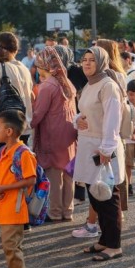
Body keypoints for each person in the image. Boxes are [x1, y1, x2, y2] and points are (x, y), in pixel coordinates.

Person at [74, 47, 126, 256]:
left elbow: (113, 120)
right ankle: (104, 239)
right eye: (84, 60)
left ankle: (114, 245)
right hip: (88, 146)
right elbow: (84, 112)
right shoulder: (90, 84)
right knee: (95, 196)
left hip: (102, 148)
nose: (86, 63)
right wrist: (78, 120)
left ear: (101, 63)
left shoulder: (108, 86)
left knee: (107, 197)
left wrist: (106, 149)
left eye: (91, 60)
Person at [0, 110, 37, 268]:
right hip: (3, 206)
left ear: (9, 131)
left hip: (16, 207)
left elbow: (30, 179)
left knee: (12, 245)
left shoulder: (23, 153)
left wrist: (4, 187)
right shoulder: (2, 152)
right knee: (8, 245)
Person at [31, 47, 78, 222]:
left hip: (52, 133)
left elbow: (38, 114)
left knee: (54, 174)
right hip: (69, 133)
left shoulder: (47, 86)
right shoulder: (66, 83)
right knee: (68, 174)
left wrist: (27, 124)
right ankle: (68, 210)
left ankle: (55, 212)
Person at [0, 33, 34, 156]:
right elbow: (32, 97)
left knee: (1, 169)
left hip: (4, 128)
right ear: (16, 49)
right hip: (23, 125)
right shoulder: (24, 68)